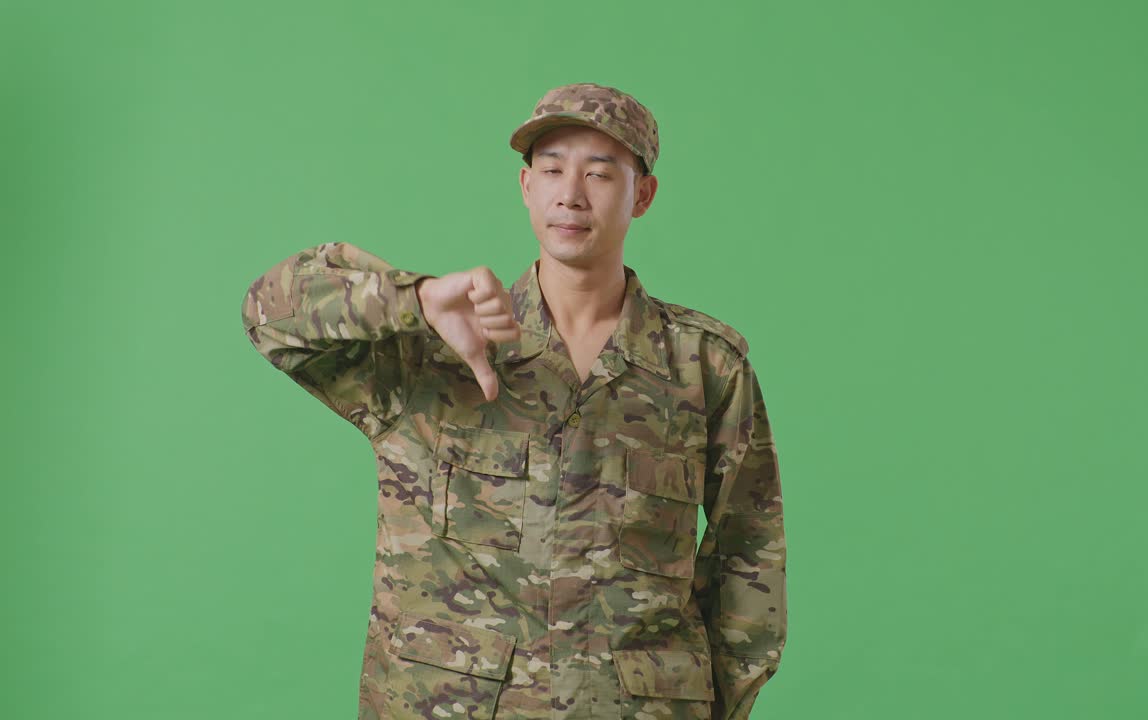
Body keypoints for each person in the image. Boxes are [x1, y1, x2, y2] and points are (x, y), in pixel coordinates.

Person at [240, 81, 787, 720]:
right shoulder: (436, 344)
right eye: (551, 169)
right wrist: (412, 302)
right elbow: (268, 312)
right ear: (526, 187)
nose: (571, 193)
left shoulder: (703, 366)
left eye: (600, 173)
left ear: (642, 195)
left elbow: (750, 566)